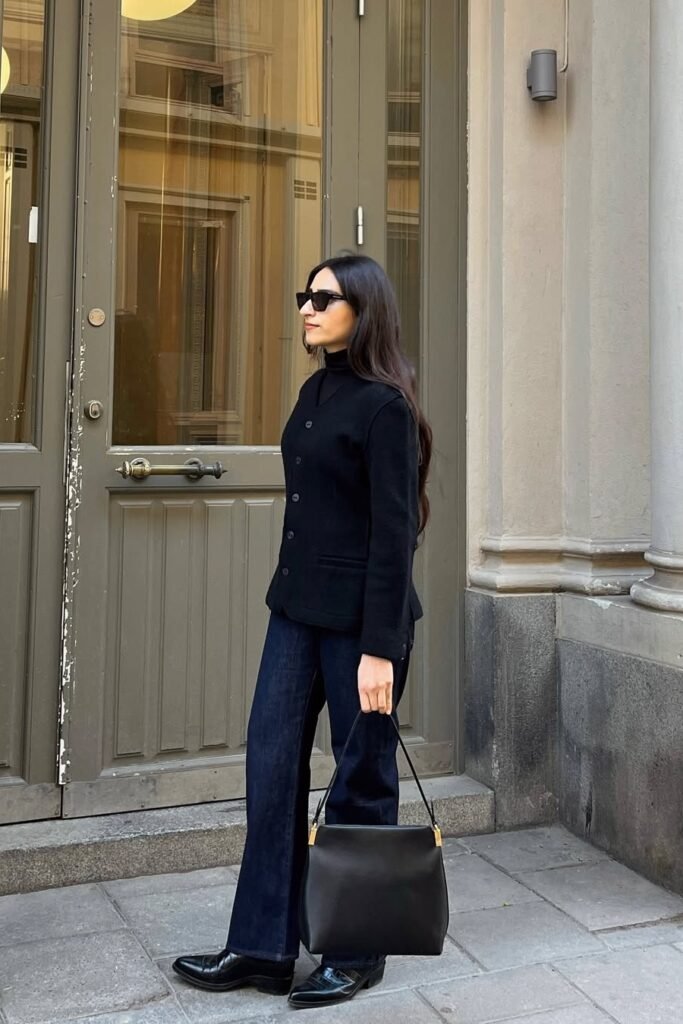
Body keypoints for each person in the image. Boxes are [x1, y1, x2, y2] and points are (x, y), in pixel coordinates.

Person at [172, 254, 433, 1009]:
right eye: (304, 297)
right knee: (271, 770)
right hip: (295, 615)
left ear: (365, 308)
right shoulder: (315, 389)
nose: (306, 310)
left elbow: (394, 537)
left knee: (360, 782)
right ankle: (259, 946)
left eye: (325, 298)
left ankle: (355, 953)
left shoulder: (385, 407)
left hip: (361, 627)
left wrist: (381, 650)